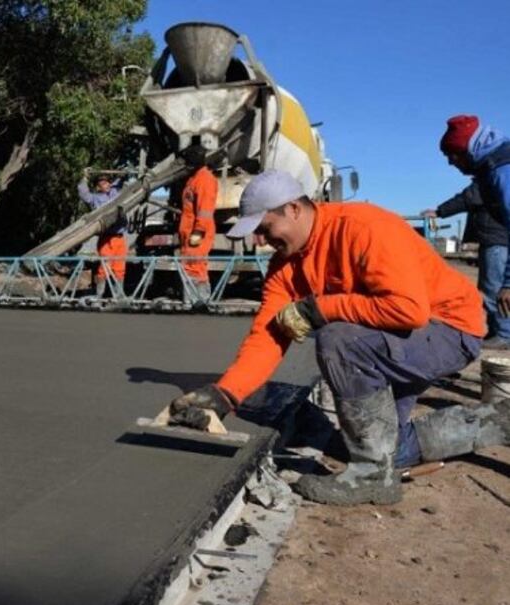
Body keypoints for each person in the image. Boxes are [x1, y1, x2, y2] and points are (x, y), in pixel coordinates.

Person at [162, 169, 504, 507]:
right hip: (400, 336)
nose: (260, 242)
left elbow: (409, 309)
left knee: (339, 339)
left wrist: (320, 309)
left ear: (293, 209)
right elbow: (269, 334)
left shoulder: (362, 229)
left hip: (449, 327)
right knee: (385, 446)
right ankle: (498, 422)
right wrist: (226, 395)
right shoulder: (286, 265)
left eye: (265, 228)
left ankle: (371, 478)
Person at [436, 114, 510, 333]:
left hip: (498, 238)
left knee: (495, 290)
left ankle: (505, 336)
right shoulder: (492, 166)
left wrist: (509, 283)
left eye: (452, 155)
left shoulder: (502, 170)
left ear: (466, 150)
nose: (451, 162)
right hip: (498, 235)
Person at [422, 181, 510, 349]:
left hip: (495, 240)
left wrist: (439, 211)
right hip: (495, 239)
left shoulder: (490, 178)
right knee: (491, 288)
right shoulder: (498, 177)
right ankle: (497, 330)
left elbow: (467, 198)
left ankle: (504, 334)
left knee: (492, 288)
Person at [178, 147, 218, 303]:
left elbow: (205, 209)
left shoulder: (204, 179)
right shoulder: (194, 179)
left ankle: (198, 302)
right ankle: (194, 302)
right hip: (190, 231)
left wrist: (198, 231)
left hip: (197, 232)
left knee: (195, 267)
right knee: (191, 266)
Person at [78, 171, 126, 297]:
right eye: (103, 183)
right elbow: (84, 194)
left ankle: (119, 295)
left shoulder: (115, 193)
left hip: (119, 238)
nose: (107, 184)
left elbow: (119, 182)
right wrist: (84, 178)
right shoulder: (95, 198)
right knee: (104, 267)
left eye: (108, 182)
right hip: (107, 238)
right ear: (98, 186)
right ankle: (100, 294)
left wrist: (122, 175)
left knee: (120, 268)